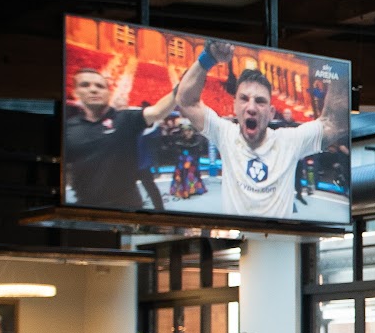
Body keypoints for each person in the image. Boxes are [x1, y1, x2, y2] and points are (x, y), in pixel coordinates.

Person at [175, 40, 346, 219]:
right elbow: (186, 101)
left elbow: (334, 123)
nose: (251, 108)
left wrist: (338, 65)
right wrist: (208, 58)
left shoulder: (289, 141)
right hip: (236, 233)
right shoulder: (225, 134)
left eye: (260, 101)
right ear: (234, 107)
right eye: (244, 99)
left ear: (271, 113)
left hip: (280, 236)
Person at [63, 67, 174, 211]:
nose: (93, 90)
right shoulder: (68, 127)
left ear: (109, 93)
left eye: (99, 86)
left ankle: (160, 211)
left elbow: (157, 112)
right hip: (86, 209)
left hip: (127, 205)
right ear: (75, 92)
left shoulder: (126, 119)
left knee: (150, 186)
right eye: (85, 85)